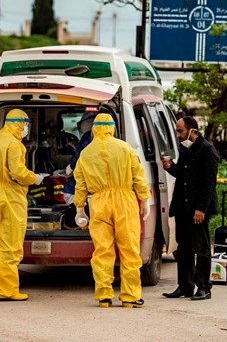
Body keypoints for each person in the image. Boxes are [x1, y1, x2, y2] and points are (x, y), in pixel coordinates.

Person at [72, 113, 151, 308]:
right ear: (112, 128)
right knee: (129, 250)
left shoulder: (86, 153)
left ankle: (104, 295)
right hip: (125, 201)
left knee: (102, 251)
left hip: (98, 202)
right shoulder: (125, 148)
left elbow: (80, 184)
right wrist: (144, 199)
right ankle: (130, 297)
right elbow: (138, 176)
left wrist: (80, 209)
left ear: (94, 129)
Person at [0, 109, 45, 301]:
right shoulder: (14, 145)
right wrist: (35, 178)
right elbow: (18, 172)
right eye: (25, 124)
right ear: (19, 124)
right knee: (11, 245)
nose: (26, 128)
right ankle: (8, 290)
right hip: (11, 196)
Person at [161, 116, 219, 301]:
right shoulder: (186, 149)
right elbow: (182, 174)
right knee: (183, 247)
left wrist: (201, 209)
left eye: (180, 131)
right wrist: (170, 167)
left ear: (192, 131)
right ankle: (185, 286)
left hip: (197, 209)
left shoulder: (207, 150)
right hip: (183, 207)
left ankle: (204, 287)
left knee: (200, 247)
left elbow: (209, 183)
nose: (177, 135)